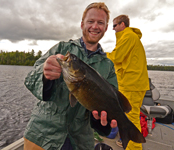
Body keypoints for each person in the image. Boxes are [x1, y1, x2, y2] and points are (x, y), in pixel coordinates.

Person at [23, 2, 117, 150]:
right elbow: (29, 79)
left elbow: (110, 102)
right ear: (82, 24)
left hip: (80, 141)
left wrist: (100, 119)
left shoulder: (109, 66)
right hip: (42, 134)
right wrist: (44, 74)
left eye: (100, 23)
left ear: (105, 28)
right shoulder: (61, 48)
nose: (95, 26)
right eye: (90, 21)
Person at [106, 15, 149, 150]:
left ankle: (134, 148)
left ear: (122, 24)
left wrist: (100, 54)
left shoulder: (128, 36)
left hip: (132, 83)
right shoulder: (127, 37)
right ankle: (128, 143)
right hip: (132, 83)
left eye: (114, 26)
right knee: (129, 115)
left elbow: (116, 57)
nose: (113, 29)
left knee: (131, 118)